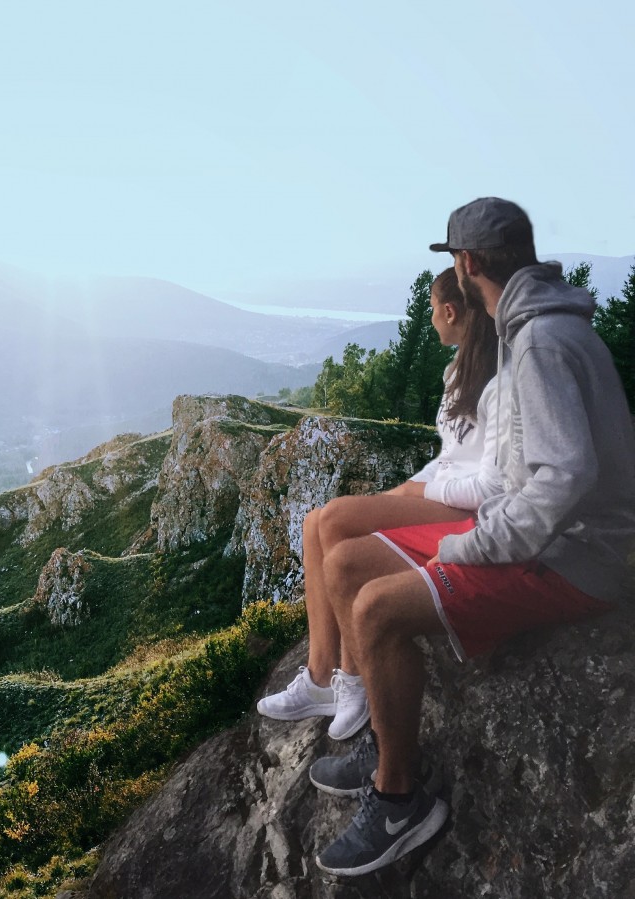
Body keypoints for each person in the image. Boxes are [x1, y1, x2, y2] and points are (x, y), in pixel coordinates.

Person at [310, 197, 635, 877]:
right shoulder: (535, 328)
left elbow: (561, 478)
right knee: (345, 564)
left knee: (375, 608)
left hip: (571, 555)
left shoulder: (540, 342)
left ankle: (398, 799)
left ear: (468, 263)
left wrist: (473, 545)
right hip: (547, 537)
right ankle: (383, 734)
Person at [257, 266, 505, 740]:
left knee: (334, 521)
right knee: (315, 523)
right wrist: (405, 490)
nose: (431, 319)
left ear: (450, 311)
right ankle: (317, 678)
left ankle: (353, 681)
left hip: (472, 511)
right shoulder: (461, 370)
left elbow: (491, 486)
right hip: (445, 496)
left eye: (433, 310)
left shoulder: (500, 381)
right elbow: (451, 458)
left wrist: (419, 493)